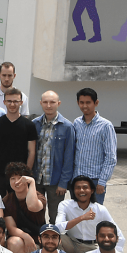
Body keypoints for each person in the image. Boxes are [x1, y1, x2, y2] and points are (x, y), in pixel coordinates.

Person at [55, 175, 125, 253]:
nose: (81, 190)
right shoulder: (65, 205)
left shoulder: (100, 209)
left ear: (92, 190)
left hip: (92, 247)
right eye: (78, 188)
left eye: (85, 187)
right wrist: (82, 218)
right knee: (55, 237)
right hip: (72, 243)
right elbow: (58, 228)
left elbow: (118, 233)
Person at [32, 91, 76, 224]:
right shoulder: (34, 124)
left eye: (52, 102)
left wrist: (63, 182)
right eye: (45, 102)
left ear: (58, 103)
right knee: (35, 214)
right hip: (37, 179)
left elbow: (69, 157)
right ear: (41, 103)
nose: (48, 105)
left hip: (55, 181)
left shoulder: (67, 126)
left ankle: (54, 237)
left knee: (55, 216)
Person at [0, 87, 37, 197]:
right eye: (9, 101)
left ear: (21, 103)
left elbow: (31, 152)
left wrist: (26, 176)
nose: (12, 104)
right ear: (4, 102)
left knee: (18, 205)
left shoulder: (29, 125)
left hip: (19, 176)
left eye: (15, 101)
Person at [72, 88, 117, 205]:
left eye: (88, 102)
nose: (84, 106)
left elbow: (111, 157)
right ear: (78, 103)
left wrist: (102, 181)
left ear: (96, 103)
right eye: (81, 102)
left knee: (94, 213)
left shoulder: (106, 126)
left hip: (95, 181)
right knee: (76, 212)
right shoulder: (76, 123)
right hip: (77, 178)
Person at [2, 163, 46, 253]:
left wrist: (32, 182)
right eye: (12, 178)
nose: (16, 182)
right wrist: (26, 236)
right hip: (20, 238)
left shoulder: (39, 197)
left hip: (38, 239)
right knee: (14, 242)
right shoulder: (7, 200)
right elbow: (11, 228)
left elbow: (32, 206)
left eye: (20, 178)